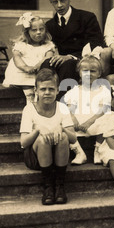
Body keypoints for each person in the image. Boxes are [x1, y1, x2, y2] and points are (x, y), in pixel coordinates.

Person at [19, 68, 77, 206]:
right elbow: (23, 142)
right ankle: (48, 187)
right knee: (43, 139)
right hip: (35, 156)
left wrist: (61, 128)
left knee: (63, 137)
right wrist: (38, 130)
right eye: (43, 89)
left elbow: (73, 139)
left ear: (57, 90)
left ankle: (60, 186)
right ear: (36, 90)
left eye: (51, 89)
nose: (47, 93)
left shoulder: (62, 107)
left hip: (58, 154)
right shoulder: (29, 109)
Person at [42, 0, 104, 92]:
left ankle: (63, 103)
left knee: (68, 65)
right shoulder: (49, 25)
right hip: (59, 60)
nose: (60, 5)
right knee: (46, 63)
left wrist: (70, 56)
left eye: (63, 0)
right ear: (50, 2)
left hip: (81, 60)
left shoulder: (87, 17)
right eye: (55, 2)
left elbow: (96, 42)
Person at [63, 55, 112, 165]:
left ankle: (98, 150)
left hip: (95, 120)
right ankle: (79, 152)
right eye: (85, 71)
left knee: (109, 116)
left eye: (93, 71)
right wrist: (73, 119)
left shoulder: (103, 90)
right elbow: (70, 109)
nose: (89, 74)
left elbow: (102, 110)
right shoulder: (74, 91)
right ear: (80, 73)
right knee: (64, 119)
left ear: (99, 74)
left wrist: (90, 122)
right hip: (78, 122)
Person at [3, 12, 56, 103]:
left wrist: (37, 66)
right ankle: (30, 96)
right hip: (23, 70)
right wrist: (25, 67)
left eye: (41, 29)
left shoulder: (48, 45)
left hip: (39, 70)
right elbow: (17, 57)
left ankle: (37, 96)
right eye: (34, 30)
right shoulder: (21, 45)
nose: (38, 32)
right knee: (24, 77)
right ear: (27, 32)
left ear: (45, 31)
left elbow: (48, 57)